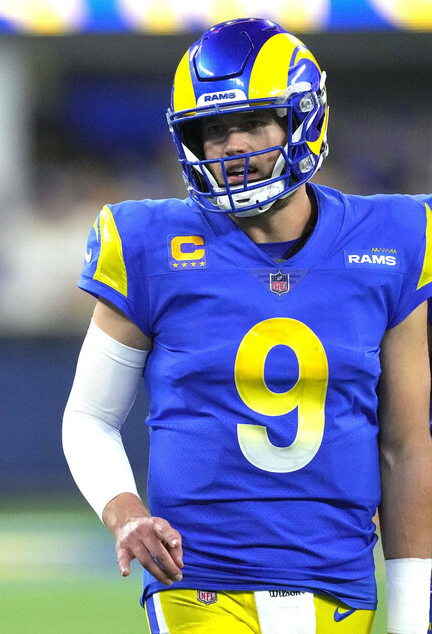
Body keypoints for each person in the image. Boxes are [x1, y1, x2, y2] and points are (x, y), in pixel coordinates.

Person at [62, 18, 432, 633]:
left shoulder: (391, 238)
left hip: (336, 583)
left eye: (252, 123)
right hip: (198, 581)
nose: (231, 147)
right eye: (213, 130)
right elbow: (89, 417)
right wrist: (125, 512)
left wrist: (413, 616)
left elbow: (406, 445)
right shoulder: (150, 241)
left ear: (301, 119)